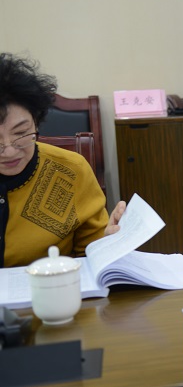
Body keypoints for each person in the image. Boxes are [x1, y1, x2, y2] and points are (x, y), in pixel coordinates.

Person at [0, 52, 125, 267]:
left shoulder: (70, 170)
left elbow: (91, 255)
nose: (10, 151)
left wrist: (108, 243)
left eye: (21, 133)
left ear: (36, 122)